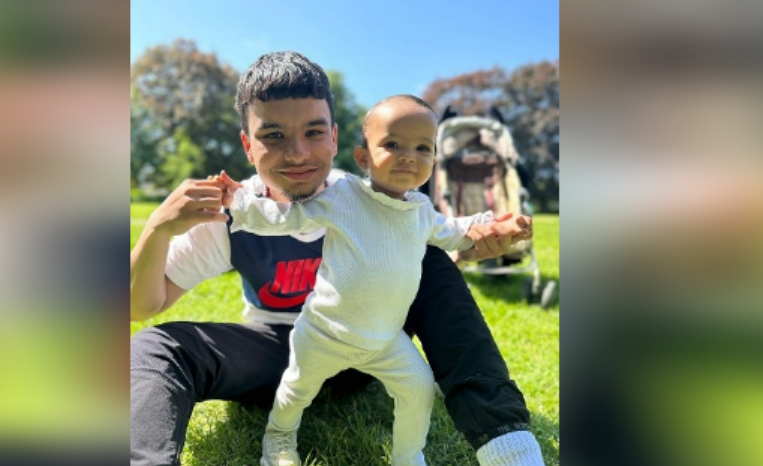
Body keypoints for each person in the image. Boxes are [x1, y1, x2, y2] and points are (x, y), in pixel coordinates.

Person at [130, 51, 545, 466]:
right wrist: (156, 231)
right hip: (282, 351)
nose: (297, 153)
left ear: (334, 136)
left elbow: (414, 261)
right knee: (157, 347)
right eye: (273, 135)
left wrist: (473, 243)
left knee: (430, 256)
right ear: (247, 145)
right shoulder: (233, 215)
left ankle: (506, 444)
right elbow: (141, 305)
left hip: (372, 341)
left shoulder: (367, 197)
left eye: (313, 132)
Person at [212, 94, 530, 466]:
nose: (408, 156)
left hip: (383, 339)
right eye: (392, 145)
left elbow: (455, 232)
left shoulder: (421, 211)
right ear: (363, 158)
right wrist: (239, 202)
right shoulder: (344, 196)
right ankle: (279, 437)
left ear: (433, 161)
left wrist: (491, 225)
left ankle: (407, 457)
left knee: (417, 388)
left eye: (423, 148)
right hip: (324, 331)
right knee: (296, 390)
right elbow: (286, 217)